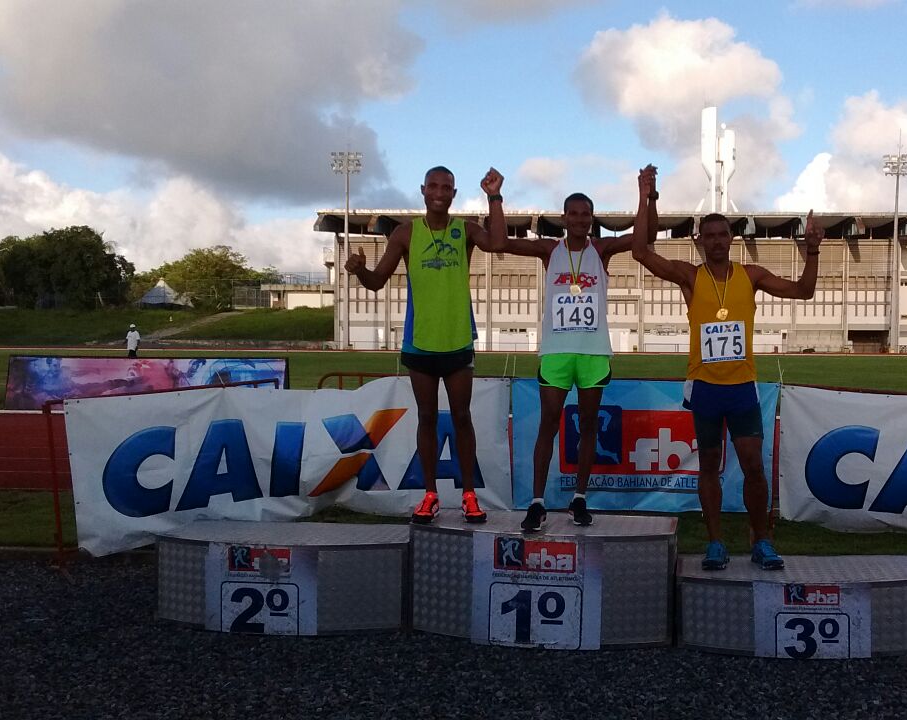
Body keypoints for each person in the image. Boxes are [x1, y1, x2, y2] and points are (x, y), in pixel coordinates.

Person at [631, 165, 823, 571]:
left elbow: (804, 291)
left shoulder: (750, 277)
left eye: (723, 235)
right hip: (705, 387)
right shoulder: (690, 277)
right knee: (708, 467)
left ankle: (762, 542)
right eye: (709, 236)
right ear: (699, 241)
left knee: (753, 465)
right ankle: (715, 543)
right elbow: (641, 252)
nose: (716, 242)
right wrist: (648, 197)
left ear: (731, 240)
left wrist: (814, 250)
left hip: (741, 387)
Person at [485, 172, 656, 533]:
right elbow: (499, 243)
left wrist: (645, 196)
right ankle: (537, 503)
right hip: (557, 352)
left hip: (592, 352)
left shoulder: (602, 250)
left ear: (592, 219)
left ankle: (579, 497)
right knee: (549, 423)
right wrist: (495, 198)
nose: (580, 219)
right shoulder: (550, 250)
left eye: (586, 214)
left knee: (589, 425)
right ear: (564, 218)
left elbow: (645, 238)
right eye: (574, 213)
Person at [344, 166, 509, 524]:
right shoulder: (405, 234)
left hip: (457, 340)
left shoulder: (464, 230)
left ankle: (469, 495)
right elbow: (376, 283)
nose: (438, 192)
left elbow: (498, 244)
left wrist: (494, 197)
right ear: (422, 190)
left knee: (463, 418)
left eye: (446, 187)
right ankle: (430, 495)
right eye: (432, 186)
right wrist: (358, 269)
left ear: (453, 193)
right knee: (427, 418)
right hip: (419, 343)